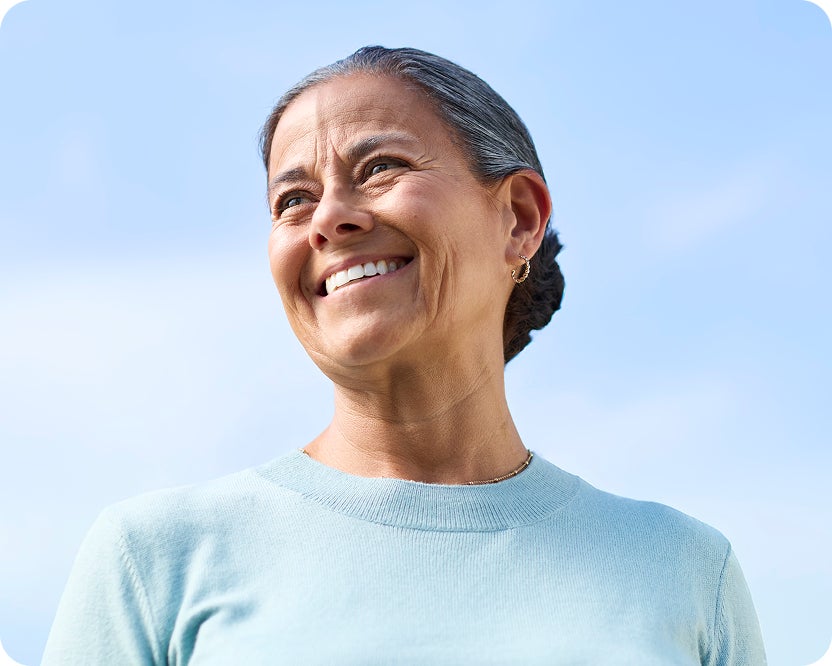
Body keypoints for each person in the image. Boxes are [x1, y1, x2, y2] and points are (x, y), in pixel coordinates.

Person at [42, 46, 767, 665]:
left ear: (517, 219)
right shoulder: (151, 562)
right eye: (292, 200)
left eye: (381, 166)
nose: (328, 218)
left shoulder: (687, 572)